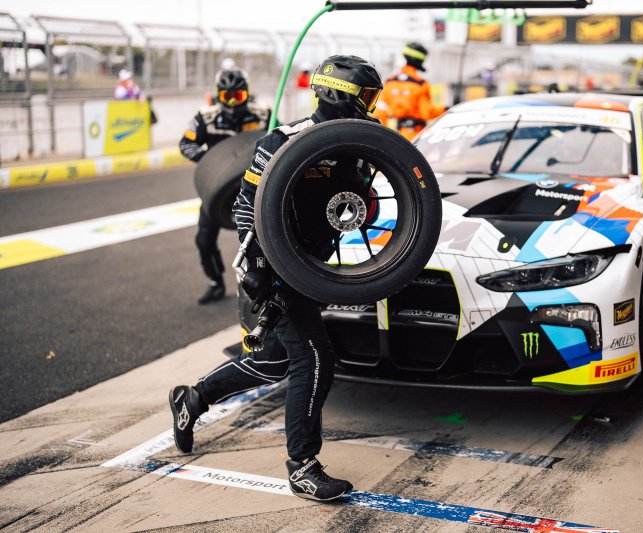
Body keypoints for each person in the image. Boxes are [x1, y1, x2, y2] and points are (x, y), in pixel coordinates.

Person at [169, 55, 384, 502]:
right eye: (365, 95)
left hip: (314, 268)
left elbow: (361, 204)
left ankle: (193, 398)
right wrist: (257, 266)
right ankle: (302, 466)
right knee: (314, 359)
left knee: (271, 361)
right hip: (273, 268)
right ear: (340, 93)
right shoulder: (282, 140)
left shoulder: (359, 143)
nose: (370, 104)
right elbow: (245, 205)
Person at [179, 69, 271, 304]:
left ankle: (268, 284)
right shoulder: (205, 117)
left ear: (247, 94)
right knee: (204, 240)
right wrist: (213, 164)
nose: (232, 103)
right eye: (227, 96)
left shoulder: (264, 114)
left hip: (254, 189)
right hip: (218, 191)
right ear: (218, 95)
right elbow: (186, 144)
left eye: (237, 96)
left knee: (263, 238)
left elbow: (280, 137)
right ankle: (216, 282)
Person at [374, 42, 445, 140]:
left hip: (395, 135)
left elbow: (380, 111)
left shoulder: (390, 82)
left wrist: (383, 135)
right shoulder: (420, 84)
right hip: (417, 135)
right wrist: (446, 109)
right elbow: (428, 112)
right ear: (420, 60)